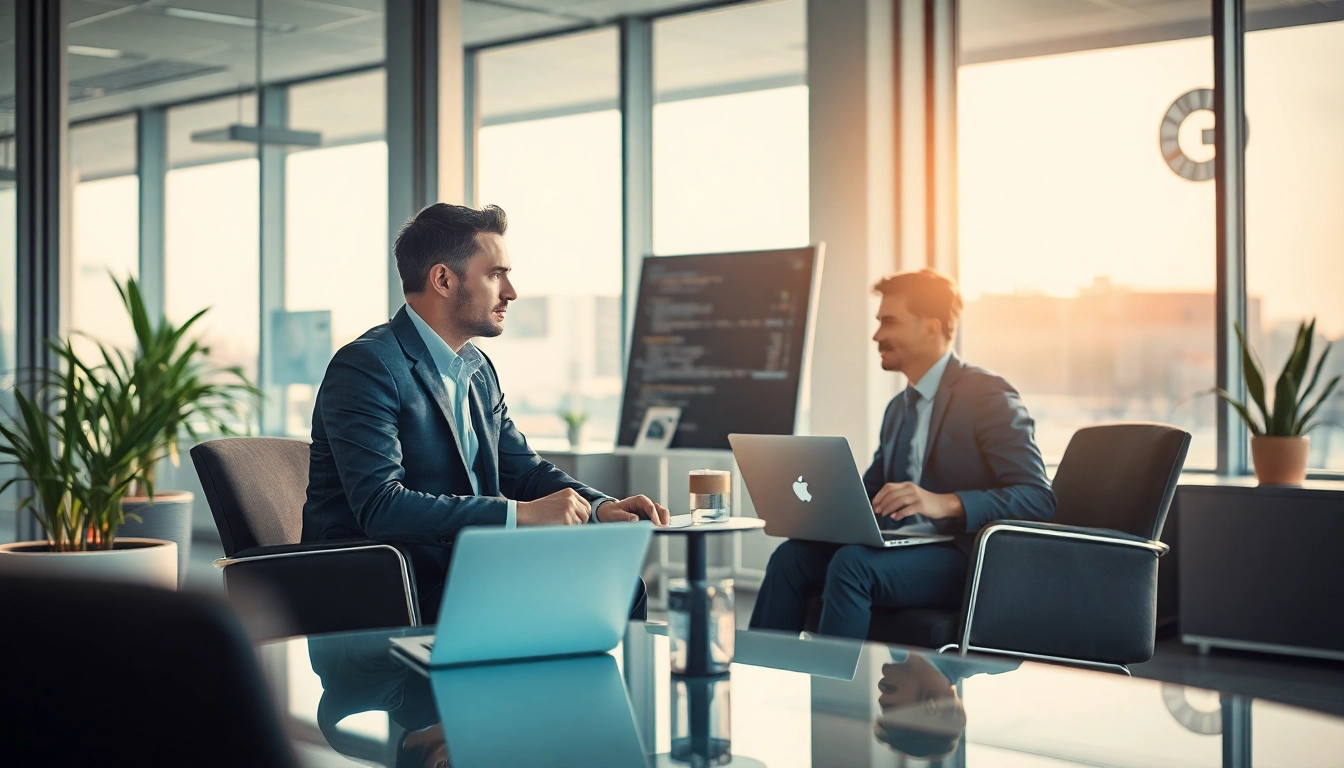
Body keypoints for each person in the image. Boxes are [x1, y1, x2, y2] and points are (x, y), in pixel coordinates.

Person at [302, 203, 668, 622]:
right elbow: (383, 507)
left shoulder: (477, 371)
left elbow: (524, 472)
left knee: (619, 583)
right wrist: (520, 514)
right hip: (393, 583)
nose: (510, 292)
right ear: (443, 279)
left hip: (467, 571)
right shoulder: (368, 365)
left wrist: (602, 506)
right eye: (495, 275)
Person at [749, 269, 1056, 639]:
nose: (877, 335)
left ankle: (838, 696)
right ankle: (762, 671)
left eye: (889, 322)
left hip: (969, 558)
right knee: (792, 558)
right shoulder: (899, 408)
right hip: (907, 545)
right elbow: (871, 495)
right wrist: (817, 512)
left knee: (853, 565)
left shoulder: (987, 396)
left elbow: (1038, 499)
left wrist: (945, 503)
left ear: (932, 327)